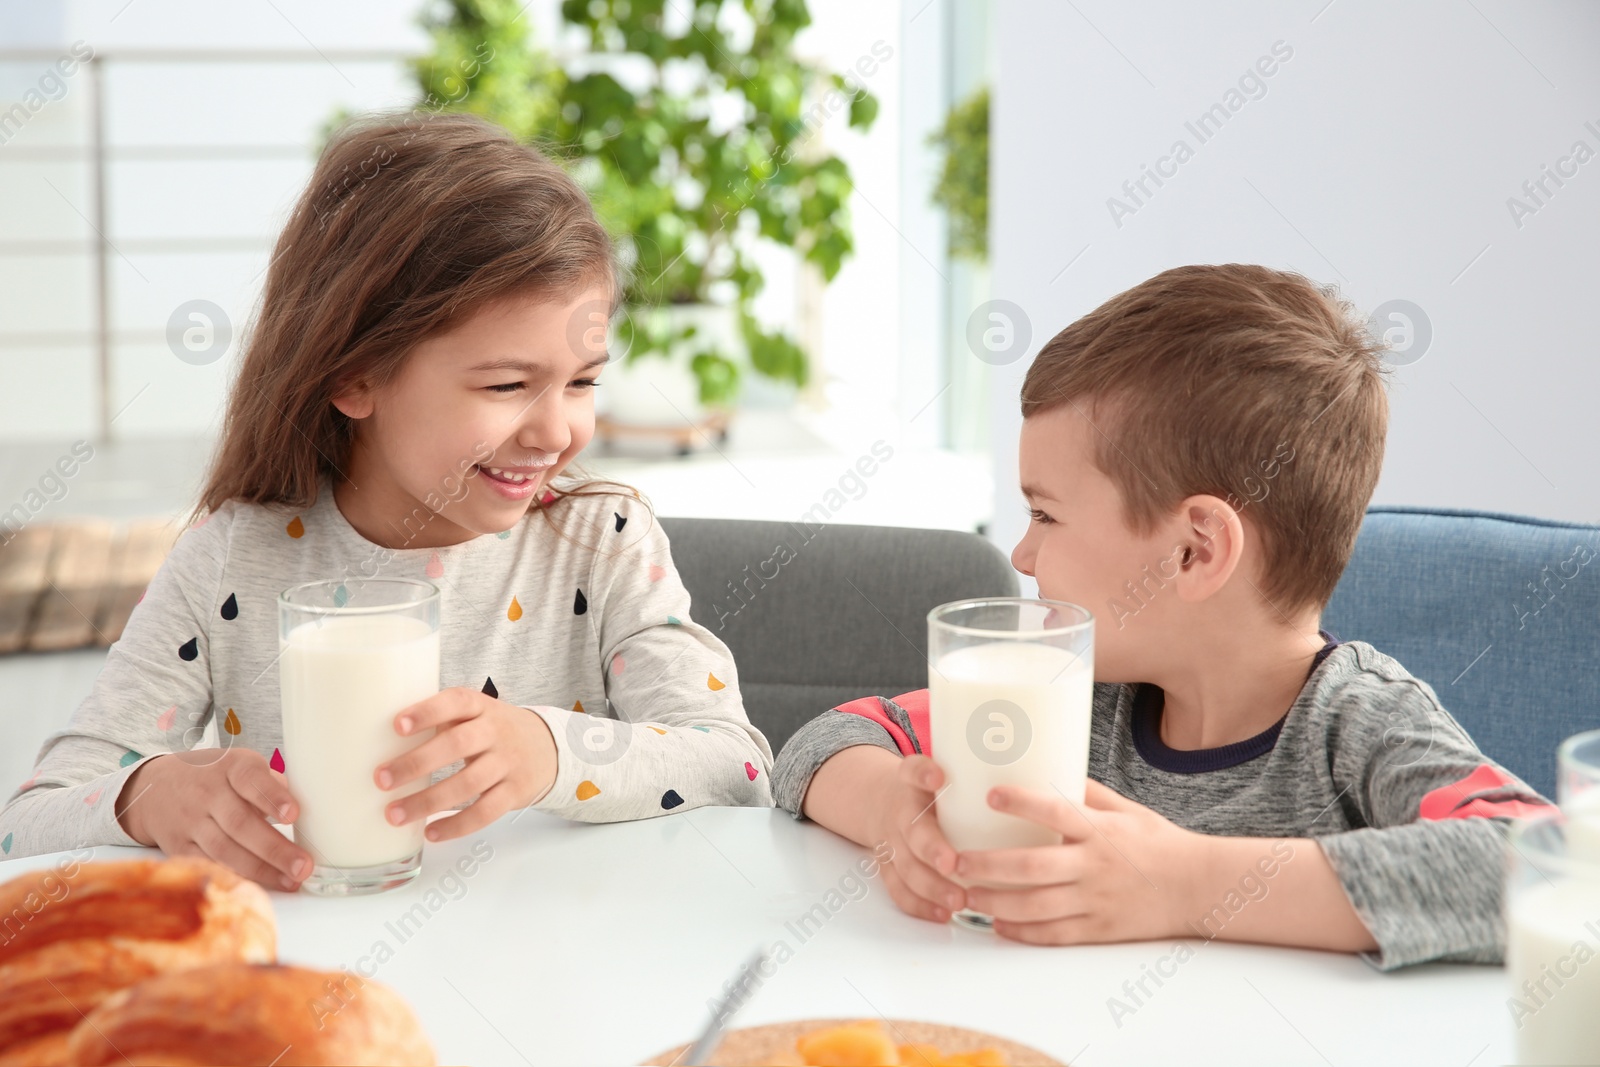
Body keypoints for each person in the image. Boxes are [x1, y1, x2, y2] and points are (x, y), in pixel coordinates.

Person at [0, 112, 773, 889]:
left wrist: (551, 751)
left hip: (559, 973)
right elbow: (28, 821)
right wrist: (146, 795)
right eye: (507, 385)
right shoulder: (232, 560)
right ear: (354, 375)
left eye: (581, 382)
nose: (555, 429)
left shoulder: (603, 541)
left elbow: (738, 766)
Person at [774, 264, 1548, 970]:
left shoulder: (1357, 724)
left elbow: (1552, 867)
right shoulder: (1076, 700)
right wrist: (894, 812)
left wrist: (1178, 882)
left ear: (1194, 551)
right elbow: (826, 739)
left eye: (1045, 514)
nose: (1021, 552)